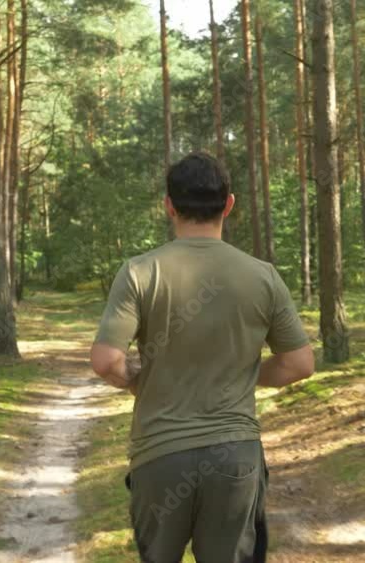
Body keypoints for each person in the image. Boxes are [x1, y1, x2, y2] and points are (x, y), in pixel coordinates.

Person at [90, 152, 315, 563]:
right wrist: (245, 372)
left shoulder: (140, 272)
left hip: (159, 459)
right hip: (235, 458)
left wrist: (139, 380)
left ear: (169, 206)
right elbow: (299, 364)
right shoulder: (263, 275)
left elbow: (106, 361)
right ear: (229, 204)